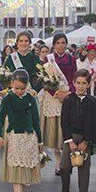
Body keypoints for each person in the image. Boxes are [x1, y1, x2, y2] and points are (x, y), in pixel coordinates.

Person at [0, 69, 42, 192]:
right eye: (17, 88)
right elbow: (0, 119)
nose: (20, 91)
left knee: (25, 172)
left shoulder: (31, 99)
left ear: (27, 86)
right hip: (14, 137)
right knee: (16, 170)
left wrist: (40, 141)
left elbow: (36, 120)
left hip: (29, 138)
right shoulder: (8, 99)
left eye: (23, 88)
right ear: (11, 84)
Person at [58, 69, 96, 192]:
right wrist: (70, 141)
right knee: (64, 166)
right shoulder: (68, 100)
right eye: (78, 83)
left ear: (88, 84)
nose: (80, 86)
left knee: (84, 169)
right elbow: (64, 122)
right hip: (71, 138)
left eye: (83, 83)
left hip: (86, 139)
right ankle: (65, 191)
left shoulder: (92, 102)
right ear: (73, 83)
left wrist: (87, 141)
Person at [40, 33, 77, 176]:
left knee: (66, 129)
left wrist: (68, 93)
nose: (61, 45)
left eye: (63, 43)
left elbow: (75, 77)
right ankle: (58, 162)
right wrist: (57, 93)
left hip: (67, 96)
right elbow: (43, 80)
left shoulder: (72, 59)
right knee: (55, 132)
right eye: (58, 43)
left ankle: (67, 159)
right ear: (54, 45)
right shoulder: (48, 60)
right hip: (53, 96)